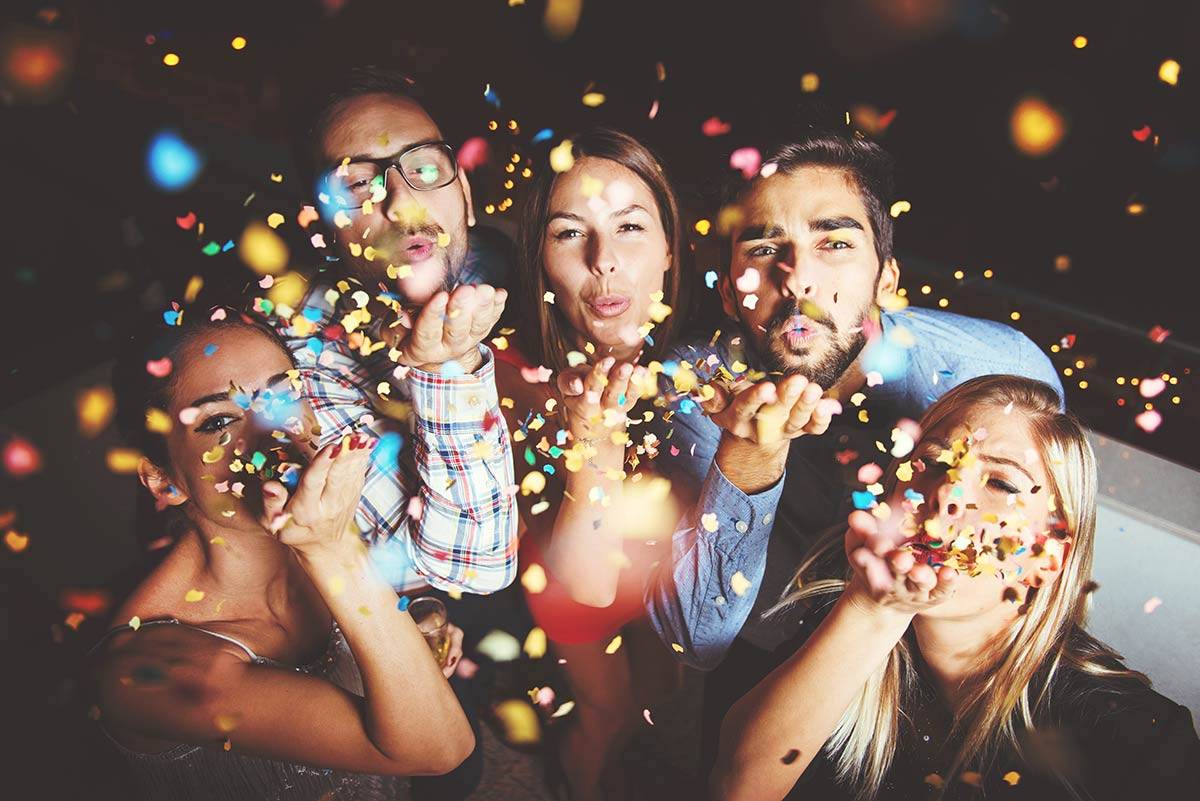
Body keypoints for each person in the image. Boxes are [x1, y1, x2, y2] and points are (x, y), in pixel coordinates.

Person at [642, 128, 1066, 765]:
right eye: (764, 247)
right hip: (771, 657)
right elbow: (696, 642)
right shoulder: (693, 390)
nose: (798, 279)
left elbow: (1045, 546)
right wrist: (748, 460)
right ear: (729, 291)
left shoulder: (996, 370)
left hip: (938, 662)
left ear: (886, 278)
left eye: (834, 242)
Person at [711, 374, 1200, 800]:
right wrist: (871, 609)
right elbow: (736, 788)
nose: (948, 493)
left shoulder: (1134, 738)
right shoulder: (846, 633)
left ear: (1048, 559)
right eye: (937, 462)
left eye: (1002, 485)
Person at [90, 309, 473, 801]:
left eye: (280, 394)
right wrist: (335, 551)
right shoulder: (143, 671)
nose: (270, 432)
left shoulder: (315, 535)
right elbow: (440, 750)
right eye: (219, 420)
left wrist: (403, 648)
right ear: (162, 478)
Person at [494, 128, 687, 801]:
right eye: (570, 233)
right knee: (609, 716)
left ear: (669, 245)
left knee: (660, 710)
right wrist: (595, 441)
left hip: (667, 583)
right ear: (540, 258)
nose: (605, 261)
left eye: (630, 227)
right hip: (575, 579)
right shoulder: (510, 376)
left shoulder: (705, 366)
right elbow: (584, 584)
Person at [282, 65, 517, 596]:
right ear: (323, 225)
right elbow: (472, 569)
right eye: (359, 183)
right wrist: (443, 368)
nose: (403, 202)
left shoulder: (510, 265)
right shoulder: (300, 362)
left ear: (466, 197)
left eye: (426, 170)